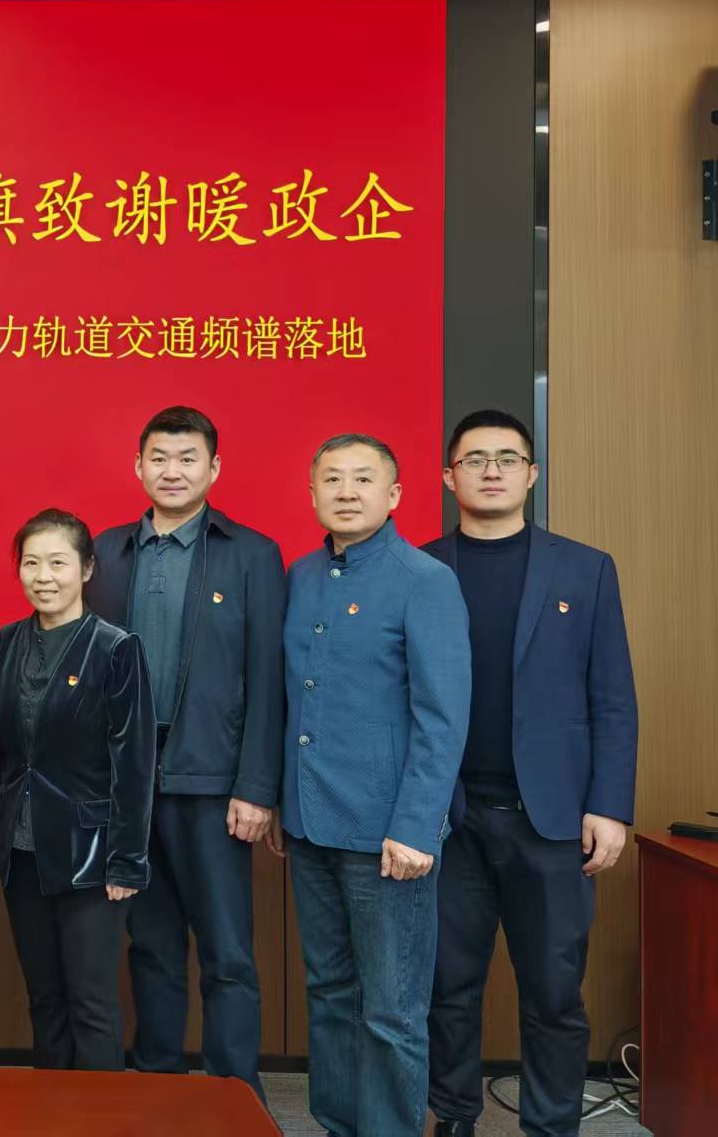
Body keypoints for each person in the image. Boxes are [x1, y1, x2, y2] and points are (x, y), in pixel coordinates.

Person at [425, 410, 638, 1137]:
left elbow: (612, 697)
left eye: (508, 458)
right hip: (447, 817)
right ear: (448, 476)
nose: (492, 471)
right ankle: (454, 1118)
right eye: (474, 459)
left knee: (553, 992)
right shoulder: (420, 569)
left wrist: (609, 804)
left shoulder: (585, 568)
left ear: (532, 473)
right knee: (447, 988)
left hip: (551, 820)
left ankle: (551, 1126)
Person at [84, 406, 285, 1097]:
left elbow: (268, 679)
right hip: (128, 785)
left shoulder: (251, 554)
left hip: (213, 783)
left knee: (227, 952)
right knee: (150, 946)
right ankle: (158, 1088)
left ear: (214, 468)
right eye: (160, 458)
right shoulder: (106, 552)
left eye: (188, 458)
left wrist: (257, 786)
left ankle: (235, 1094)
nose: (173, 471)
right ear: (139, 466)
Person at [274, 433, 470, 1135]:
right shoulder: (300, 575)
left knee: (391, 1010)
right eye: (333, 479)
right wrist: (282, 801)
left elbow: (442, 716)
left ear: (394, 495)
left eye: (363, 479)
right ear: (312, 493)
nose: (347, 491)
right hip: (309, 825)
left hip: (389, 835)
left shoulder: (425, 580)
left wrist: (418, 826)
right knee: (329, 994)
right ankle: (338, 1124)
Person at [0, 509, 156, 1071]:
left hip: (91, 853)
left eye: (57, 563)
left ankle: (97, 1113)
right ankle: (49, 1108)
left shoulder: (115, 648)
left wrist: (127, 860)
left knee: (91, 1004)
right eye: (31, 563)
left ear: (86, 569)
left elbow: (135, 762)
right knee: (44, 997)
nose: (43, 576)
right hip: (21, 847)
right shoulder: (4, 641)